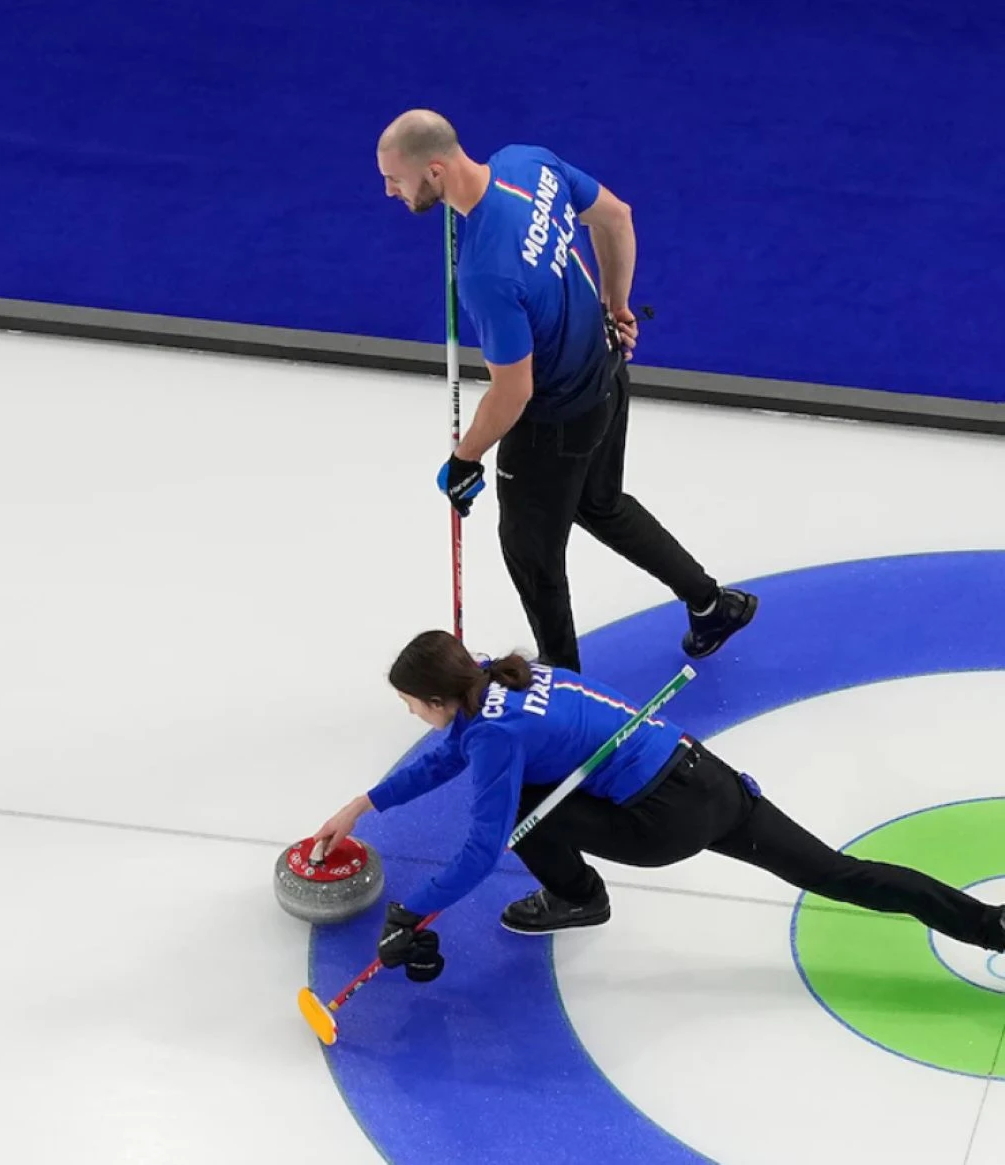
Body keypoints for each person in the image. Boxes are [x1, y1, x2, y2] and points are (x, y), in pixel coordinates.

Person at [313, 630, 1005, 981]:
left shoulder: (495, 735)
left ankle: (578, 898)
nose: (410, 714)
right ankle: (992, 926)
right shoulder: (507, 677)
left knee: (520, 805)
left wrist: (411, 910)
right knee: (839, 872)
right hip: (710, 780)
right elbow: (452, 751)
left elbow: (480, 848)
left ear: (438, 698)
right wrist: (365, 802)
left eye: (410, 703)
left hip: (657, 822)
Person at [376, 109, 757, 671]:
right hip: (606, 374)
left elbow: (514, 391)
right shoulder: (528, 164)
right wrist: (617, 306)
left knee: (532, 555)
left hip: (555, 421)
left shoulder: (485, 273)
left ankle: (564, 687)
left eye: (395, 180)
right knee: (600, 504)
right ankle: (711, 604)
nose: (389, 192)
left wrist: (466, 458)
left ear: (434, 171)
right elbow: (616, 217)